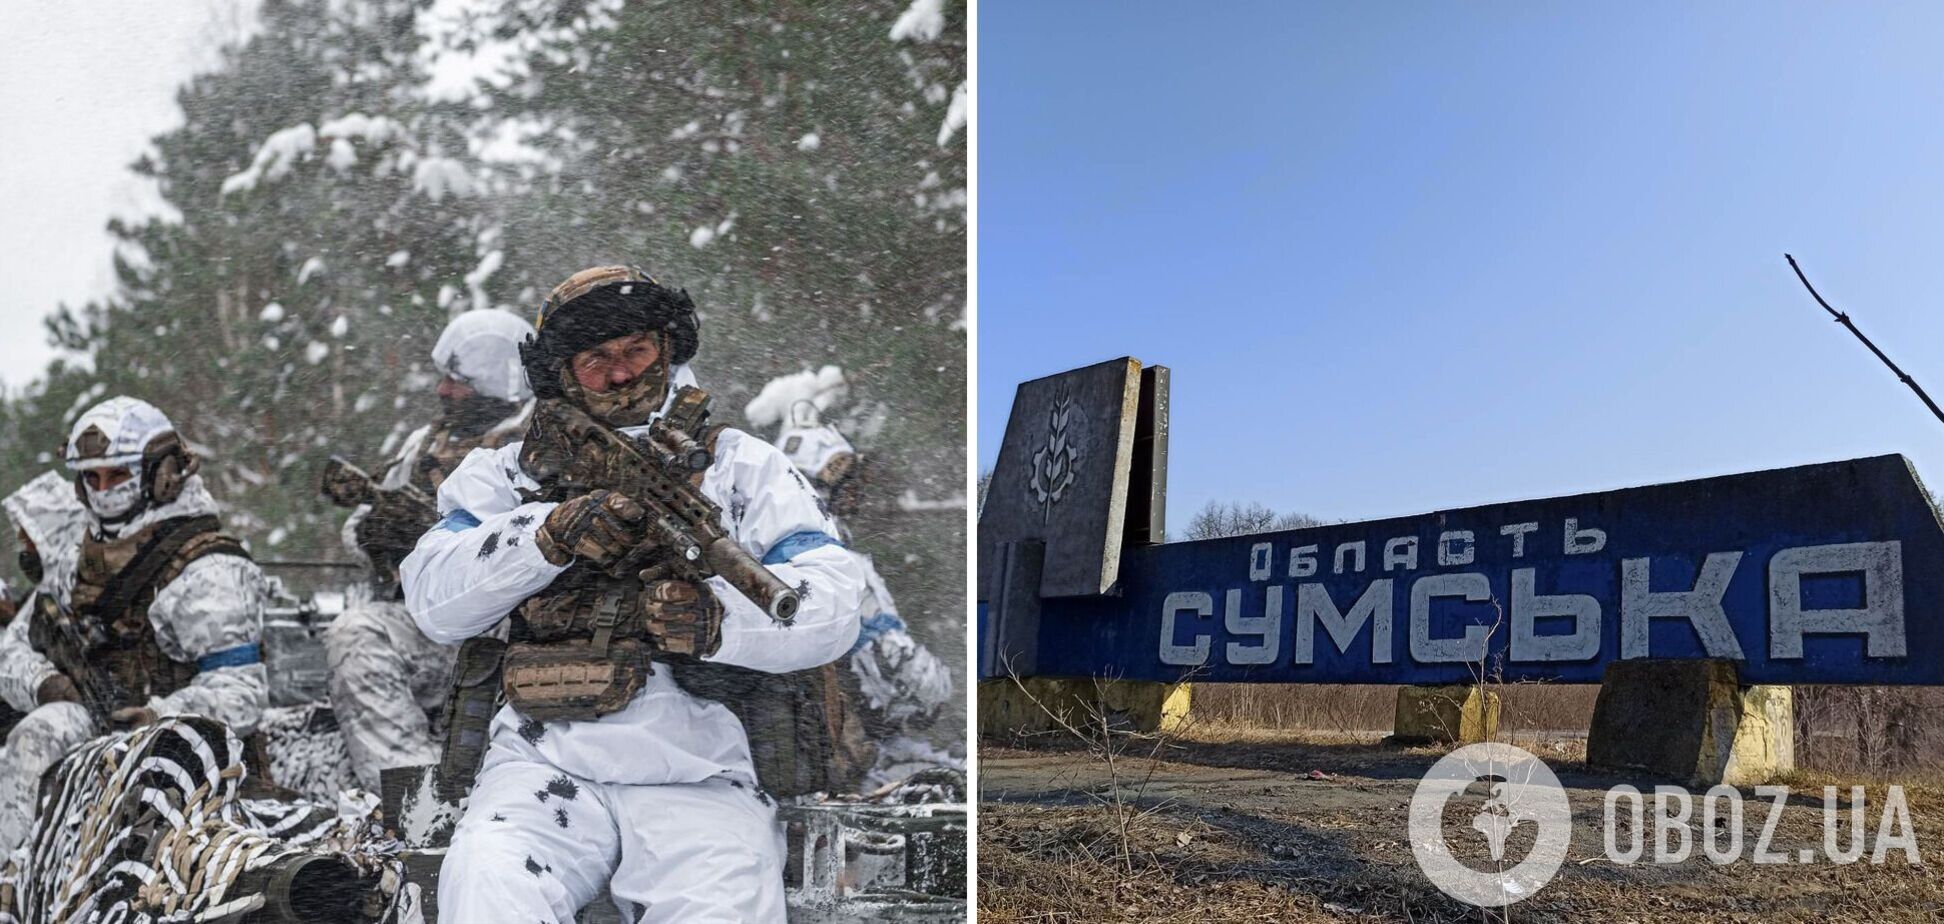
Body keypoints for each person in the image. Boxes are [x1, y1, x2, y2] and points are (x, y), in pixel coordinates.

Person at [401, 266, 869, 922]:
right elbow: (431, 600)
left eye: (636, 351)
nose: (621, 375)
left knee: (724, 907)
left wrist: (718, 622)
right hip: (541, 761)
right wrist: (546, 534)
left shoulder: (741, 466)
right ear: (563, 373)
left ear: (668, 349)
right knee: (487, 886)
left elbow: (837, 600)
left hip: (700, 770)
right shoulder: (508, 474)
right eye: (597, 361)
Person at [0, 398, 268, 852]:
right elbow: (13, 648)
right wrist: (47, 684)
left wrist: (158, 717)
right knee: (36, 735)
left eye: (116, 475)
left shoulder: (208, 565)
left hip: (189, 757)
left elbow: (241, 690)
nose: (102, 489)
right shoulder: (76, 553)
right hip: (88, 725)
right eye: (91, 477)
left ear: (161, 474)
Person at [323, 309, 535, 790]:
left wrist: (442, 535)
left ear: (496, 381)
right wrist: (377, 535)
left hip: (511, 631)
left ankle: (428, 805)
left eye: (458, 381)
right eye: (445, 378)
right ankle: (412, 795)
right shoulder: (427, 442)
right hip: (432, 624)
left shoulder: (539, 443)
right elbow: (362, 517)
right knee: (357, 634)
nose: (443, 390)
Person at [772, 399, 956, 786]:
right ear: (814, 484)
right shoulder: (839, 563)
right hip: (849, 753)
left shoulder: (764, 548)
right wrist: (938, 690)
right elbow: (905, 675)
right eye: (840, 476)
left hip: (798, 747)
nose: (852, 492)